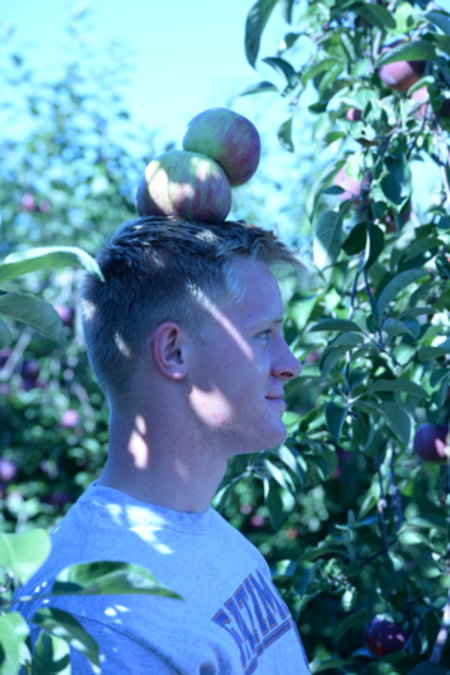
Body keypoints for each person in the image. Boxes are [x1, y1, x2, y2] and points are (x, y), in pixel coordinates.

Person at [15, 215, 311, 674]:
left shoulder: (206, 533)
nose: (291, 364)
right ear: (174, 351)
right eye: (263, 335)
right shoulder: (103, 619)